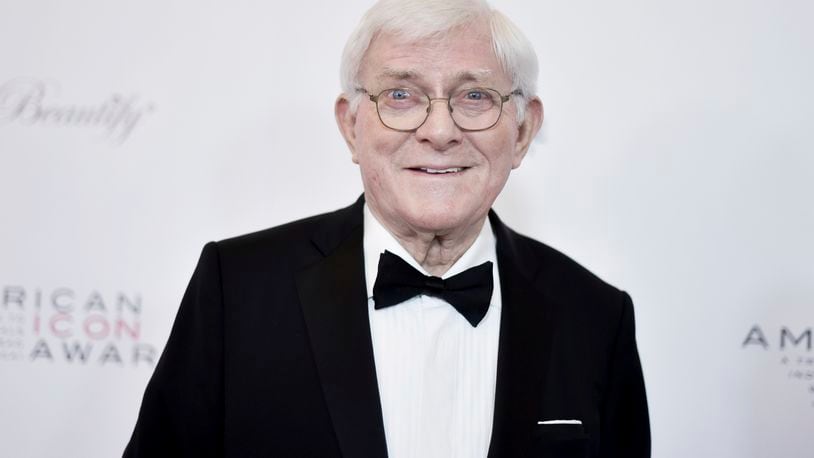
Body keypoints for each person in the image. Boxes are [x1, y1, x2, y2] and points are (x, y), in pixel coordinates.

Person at [124, 0, 650, 456]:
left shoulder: (596, 317)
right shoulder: (235, 290)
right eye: (401, 95)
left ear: (522, 130)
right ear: (351, 126)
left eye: (475, 97)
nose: (440, 131)